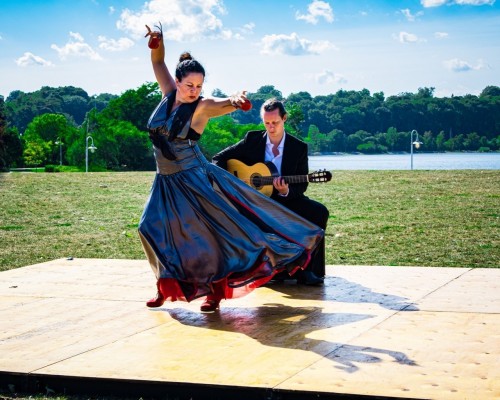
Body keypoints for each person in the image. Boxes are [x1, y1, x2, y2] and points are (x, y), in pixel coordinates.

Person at [138, 26, 324, 312]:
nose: (194, 91)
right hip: (165, 181)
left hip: (193, 179)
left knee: (210, 236)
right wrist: (157, 44)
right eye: (189, 86)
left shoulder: (200, 107)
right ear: (177, 82)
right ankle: (167, 285)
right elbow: (157, 62)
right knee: (151, 228)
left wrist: (235, 101)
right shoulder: (167, 94)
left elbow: (222, 104)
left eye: (199, 86)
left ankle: (215, 292)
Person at [212, 98, 329, 285]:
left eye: (275, 122)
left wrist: (286, 191)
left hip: (286, 199)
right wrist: (232, 183)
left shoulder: (298, 147)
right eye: (267, 123)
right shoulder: (252, 140)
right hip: (256, 201)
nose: (271, 127)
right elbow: (219, 158)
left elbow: (302, 185)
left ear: (284, 119)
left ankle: (306, 270)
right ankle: (264, 270)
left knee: (319, 212)